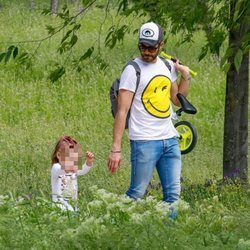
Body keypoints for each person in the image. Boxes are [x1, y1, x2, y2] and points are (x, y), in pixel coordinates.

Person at [107, 22, 190, 205]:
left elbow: (177, 100)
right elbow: (122, 111)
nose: (146, 51)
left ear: (161, 44)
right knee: (137, 192)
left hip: (169, 139)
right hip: (144, 141)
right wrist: (116, 148)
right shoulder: (132, 70)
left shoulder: (167, 67)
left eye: (151, 47)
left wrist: (185, 76)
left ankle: (168, 232)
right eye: (143, 46)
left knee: (173, 194)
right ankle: (115, 225)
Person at [51, 135, 94, 211]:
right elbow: (62, 170)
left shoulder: (73, 169)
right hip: (59, 207)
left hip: (73, 206)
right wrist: (70, 168)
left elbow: (83, 171)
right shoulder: (56, 167)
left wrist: (88, 162)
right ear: (59, 155)